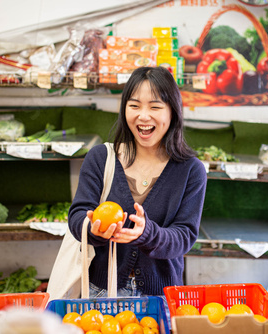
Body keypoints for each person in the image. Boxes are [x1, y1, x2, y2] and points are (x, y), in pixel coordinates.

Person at [68, 66, 207, 298]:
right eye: (134, 105)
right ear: (124, 110)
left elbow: (184, 237)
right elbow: (77, 215)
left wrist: (147, 233)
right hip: (100, 290)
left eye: (155, 106)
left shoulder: (191, 170)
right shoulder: (101, 158)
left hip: (161, 295)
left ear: (172, 111)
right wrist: (93, 229)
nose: (143, 116)